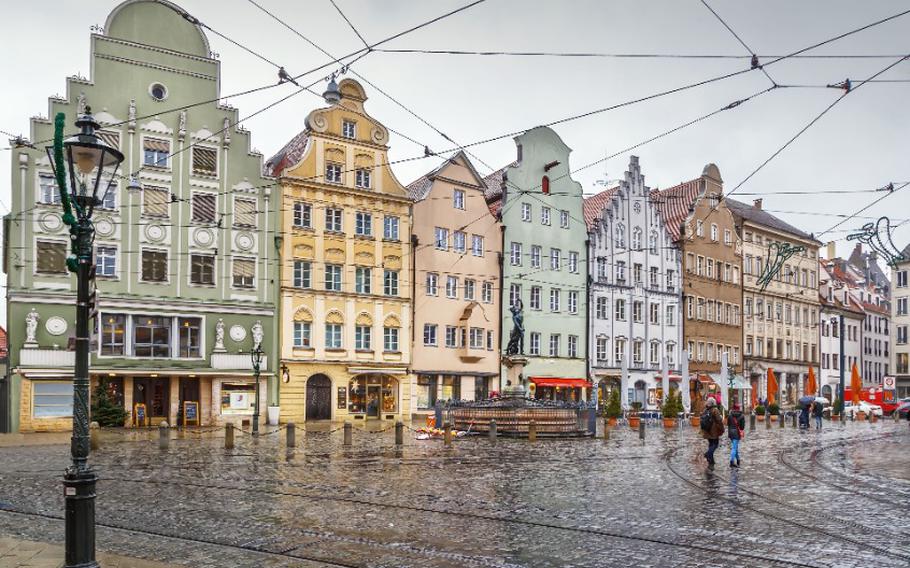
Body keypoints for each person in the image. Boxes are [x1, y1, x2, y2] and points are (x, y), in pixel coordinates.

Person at [700, 398, 725, 470]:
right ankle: (707, 454)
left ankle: (711, 461)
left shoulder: (705, 410)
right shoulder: (715, 410)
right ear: (714, 403)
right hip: (713, 431)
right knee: (715, 445)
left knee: (711, 445)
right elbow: (719, 420)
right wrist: (722, 429)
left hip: (707, 431)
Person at [727, 403, 745, 468]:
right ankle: (731, 461)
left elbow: (728, 424)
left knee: (735, 447)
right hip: (736, 433)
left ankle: (738, 459)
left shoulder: (730, 415)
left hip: (731, 433)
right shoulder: (742, 416)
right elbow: (742, 427)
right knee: (734, 448)